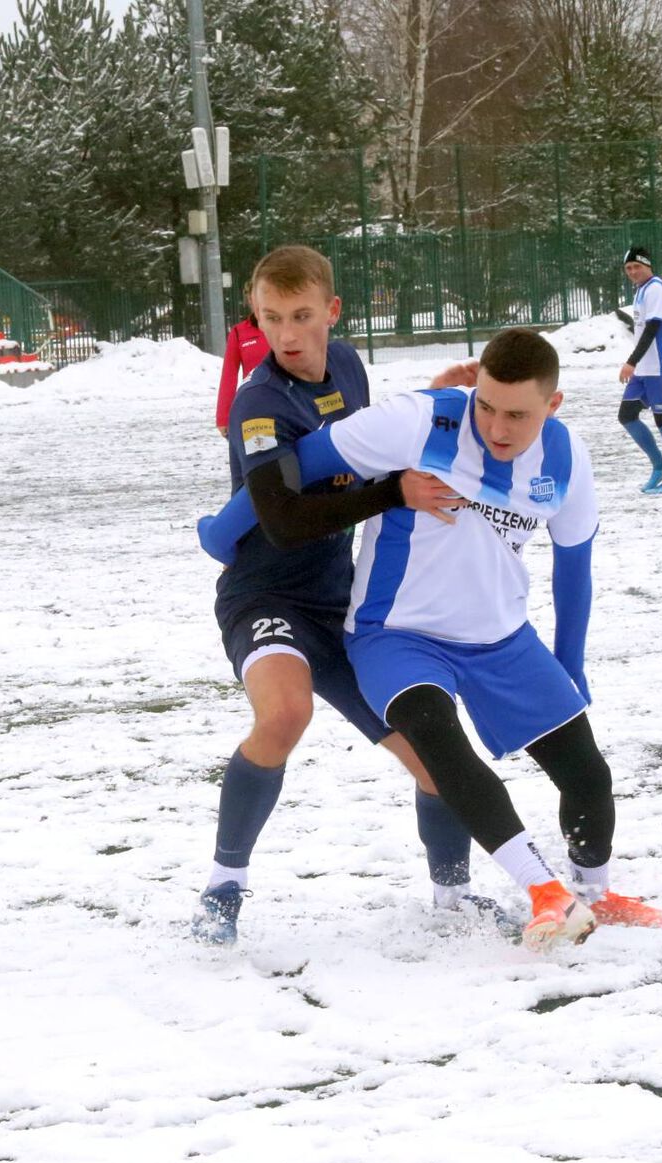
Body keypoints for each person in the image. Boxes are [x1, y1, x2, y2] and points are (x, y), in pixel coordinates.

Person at [201, 330, 662, 952]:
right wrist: (219, 533)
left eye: (518, 414)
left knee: (587, 775)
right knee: (426, 739)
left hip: (500, 638)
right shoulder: (417, 421)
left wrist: (570, 666)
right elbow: (296, 466)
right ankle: (541, 891)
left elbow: (574, 565)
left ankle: (593, 894)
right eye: (486, 406)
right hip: (396, 634)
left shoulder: (565, 459)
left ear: (552, 406)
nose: (498, 427)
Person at [191, 244, 472, 947]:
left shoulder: (347, 366)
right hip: (265, 598)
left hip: (343, 603)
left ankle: (453, 899)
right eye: (271, 318)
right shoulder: (258, 404)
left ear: (332, 312)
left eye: (302, 316)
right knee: (285, 714)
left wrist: (433, 404)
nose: (286, 334)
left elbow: (365, 451)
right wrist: (390, 491)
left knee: (437, 755)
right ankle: (223, 888)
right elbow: (282, 520)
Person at [618, 246, 662, 494]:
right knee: (627, 415)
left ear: (648, 266)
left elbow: (653, 328)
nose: (633, 271)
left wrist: (631, 361)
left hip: (661, 369)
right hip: (645, 370)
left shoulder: (655, 288)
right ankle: (660, 466)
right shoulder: (641, 290)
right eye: (628, 268)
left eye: (637, 266)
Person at [214, 309, 270, 433]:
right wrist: (223, 417)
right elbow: (229, 375)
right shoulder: (239, 332)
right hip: (254, 410)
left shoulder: (287, 327)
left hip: (290, 406)